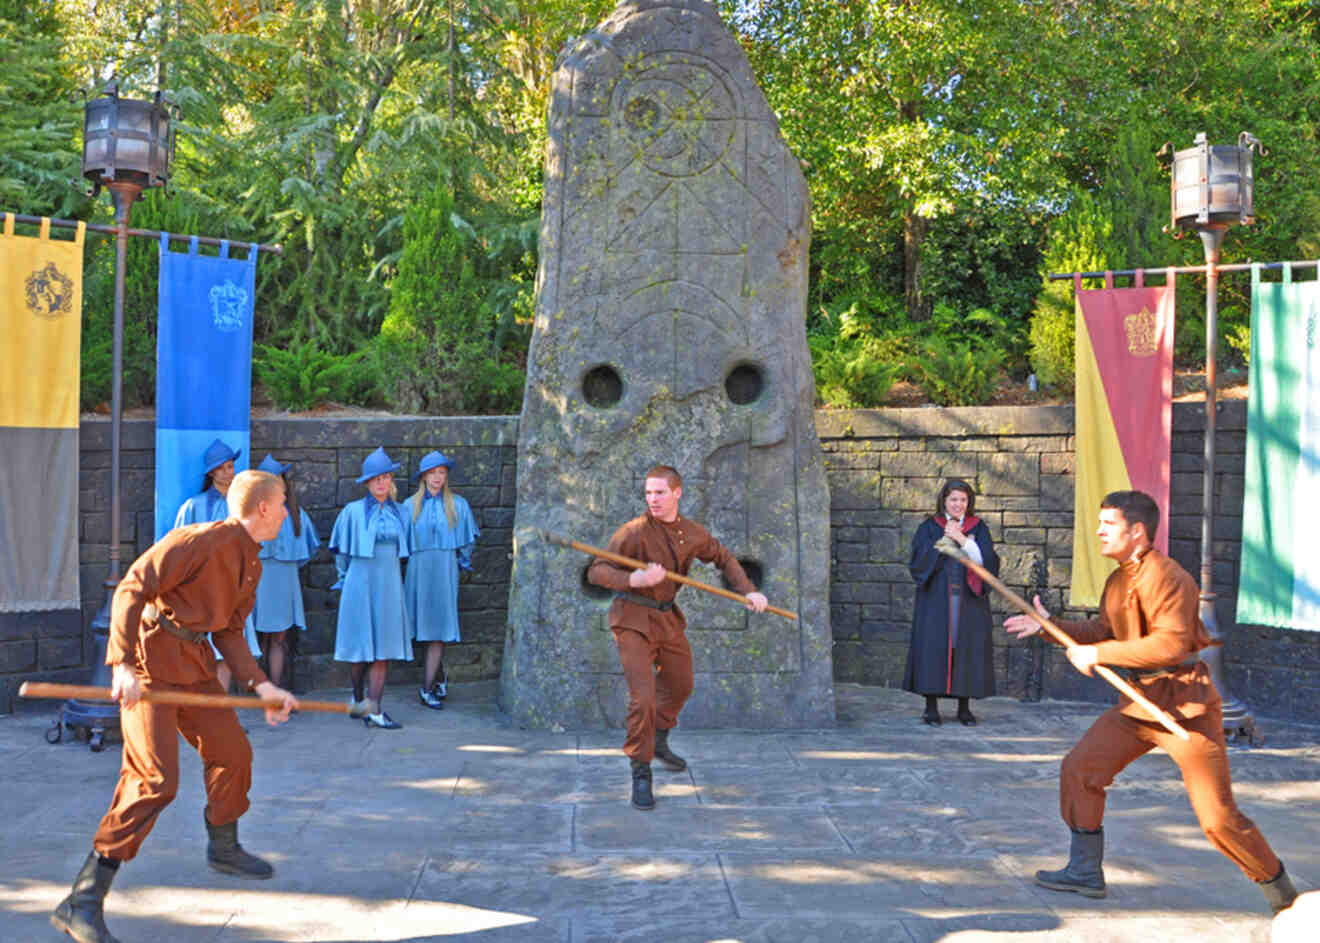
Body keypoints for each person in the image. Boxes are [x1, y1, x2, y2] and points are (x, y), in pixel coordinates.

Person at [1004, 490, 1298, 915]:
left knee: (1217, 818)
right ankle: (1085, 871)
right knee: (1081, 768)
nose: (1099, 531)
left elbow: (1170, 645)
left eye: (1108, 525)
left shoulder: (1172, 577)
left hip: (1186, 706)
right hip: (1138, 703)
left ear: (1137, 531)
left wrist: (1100, 655)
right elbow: (1104, 631)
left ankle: (1283, 896)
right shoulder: (1118, 579)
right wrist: (1050, 627)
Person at [51, 470, 298, 943]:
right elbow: (132, 587)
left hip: (194, 661)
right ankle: (81, 899)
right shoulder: (198, 541)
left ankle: (223, 846)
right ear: (262, 508)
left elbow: (228, 631)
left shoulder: (252, 562)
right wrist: (120, 664)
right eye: (283, 502)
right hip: (148, 660)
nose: (287, 511)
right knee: (154, 780)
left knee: (233, 753)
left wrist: (261, 684)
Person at [587, 465, 768, 811]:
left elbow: (723, 557)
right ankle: (641, 770)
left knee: (681, 683)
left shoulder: (691, 532)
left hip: (667, 619)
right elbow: (597, 570)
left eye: (659, 493)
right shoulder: (634, 531)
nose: (652, 499)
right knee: (643, 698)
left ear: (677, 493)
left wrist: (748, 591)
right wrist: (633, 581)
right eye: (648, 493)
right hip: (632, 619)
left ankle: (658, 738)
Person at [903, 478, 999, 726]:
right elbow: (918, 562)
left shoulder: (978, 527)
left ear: (969, 502)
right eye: (953, 499)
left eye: (963, 500)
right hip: (936, 601)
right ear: (944, 500)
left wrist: (963, 540)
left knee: (966, 649)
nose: (958, 504)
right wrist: (942, 544)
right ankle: (931, 707)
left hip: (968, 601)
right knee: (933, 649)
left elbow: (987, 562)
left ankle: (964, 708)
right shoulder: (929, 527)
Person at [330, 446, 413, 730]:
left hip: (389, 583)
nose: (382, 483)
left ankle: (375, 708)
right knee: (359, 648)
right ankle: (357, 699)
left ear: (391, 480)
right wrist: (344, 579)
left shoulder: (401, 513)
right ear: (367, 482)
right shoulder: (352, 512)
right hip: (359, 582)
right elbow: (340, 552)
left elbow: (407, 550)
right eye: (376, 478)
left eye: (386, 477)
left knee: (384, 648)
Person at [174, 438, 262, 693]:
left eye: (231, 466)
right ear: (212, 472)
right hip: (202, 589)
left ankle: (222, 715)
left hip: (235, 587)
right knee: (201, 650)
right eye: (223, 467)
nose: (229, 471)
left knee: (227, 652)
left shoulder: (244, 507)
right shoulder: (193, 506)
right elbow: (177, 549)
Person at [404, 450, 479, 710]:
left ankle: (426, 689)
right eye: (433, 473)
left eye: (442, 473)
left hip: (445, 568)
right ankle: (439, 676)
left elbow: (468, 542)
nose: (437, 478)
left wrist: (461, 562)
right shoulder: (408, 506)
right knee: (424, 629)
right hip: (418, 570)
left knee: (438, 630)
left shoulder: (459, 505)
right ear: (424, 476)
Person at [248, 454, 320, 690]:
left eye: (277, 479)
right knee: (262, 637)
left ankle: (275, 689)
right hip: (260, 579)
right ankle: (263, 688)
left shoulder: (297, 515)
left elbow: (308, 548)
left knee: (279, 636)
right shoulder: (251, 515)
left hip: (285, 579)